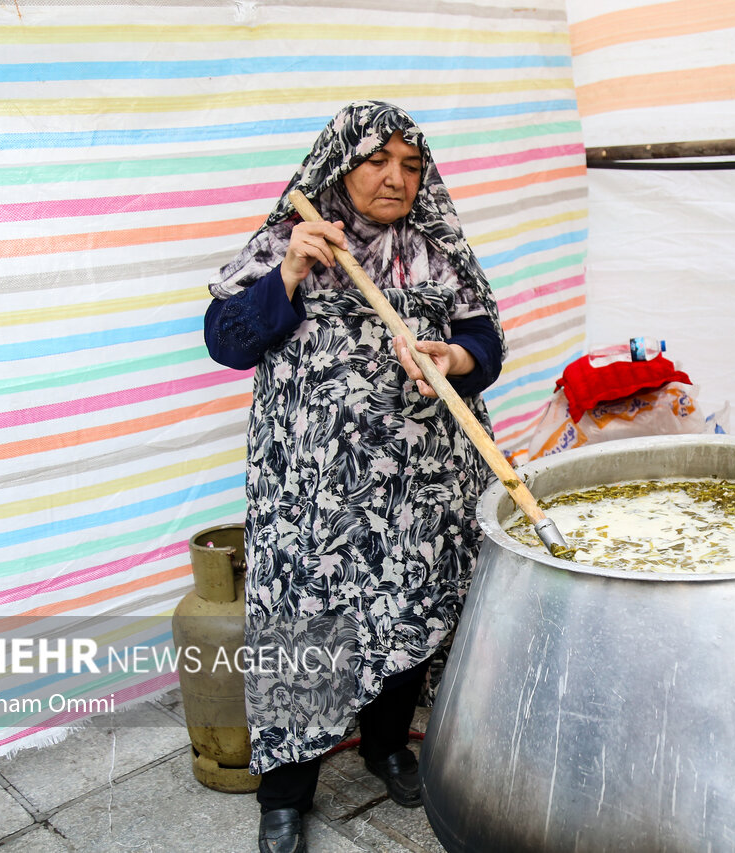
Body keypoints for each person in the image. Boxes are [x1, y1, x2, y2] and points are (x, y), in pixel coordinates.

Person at [204, 100, 504, 853]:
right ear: (341, 164)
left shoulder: (434, 249)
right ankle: (285, 791)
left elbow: (485, 339)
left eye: (411, 165)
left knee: (410, 606)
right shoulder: (289, 240)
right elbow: (226, 341)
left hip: (423, 485)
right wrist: (293, 271)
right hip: (315, 493)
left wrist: (455, 359)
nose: (397, 179)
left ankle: (385, 744)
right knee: (308, 619)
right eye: (379, 161)